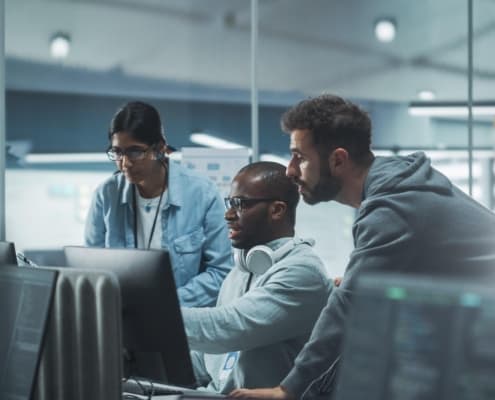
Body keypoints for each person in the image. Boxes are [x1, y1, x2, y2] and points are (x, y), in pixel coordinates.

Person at [230, 94, 495, 399]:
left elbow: (348, 310)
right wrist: (370, 284)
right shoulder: (395, 187)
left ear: (338, 160)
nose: (290, 170)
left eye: (299, 157)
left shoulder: (391, 207)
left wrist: (288, 389)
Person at [181, 161, 332, 394]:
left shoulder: (303, 272)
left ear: (277, 210)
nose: (229, 215)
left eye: (240, 204)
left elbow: (229, 327)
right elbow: (207, 361)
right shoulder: (241, 271)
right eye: (230, 203)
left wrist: (156, 320)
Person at [84, 101, 232, 307]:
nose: (125, 163)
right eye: (117, 152)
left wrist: (166, 304)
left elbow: (220, 272)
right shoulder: (106, 194)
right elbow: (91, 268)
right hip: (123, 319)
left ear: (160, 149)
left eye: (135, 152)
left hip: (182, 321)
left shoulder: (202, 193)